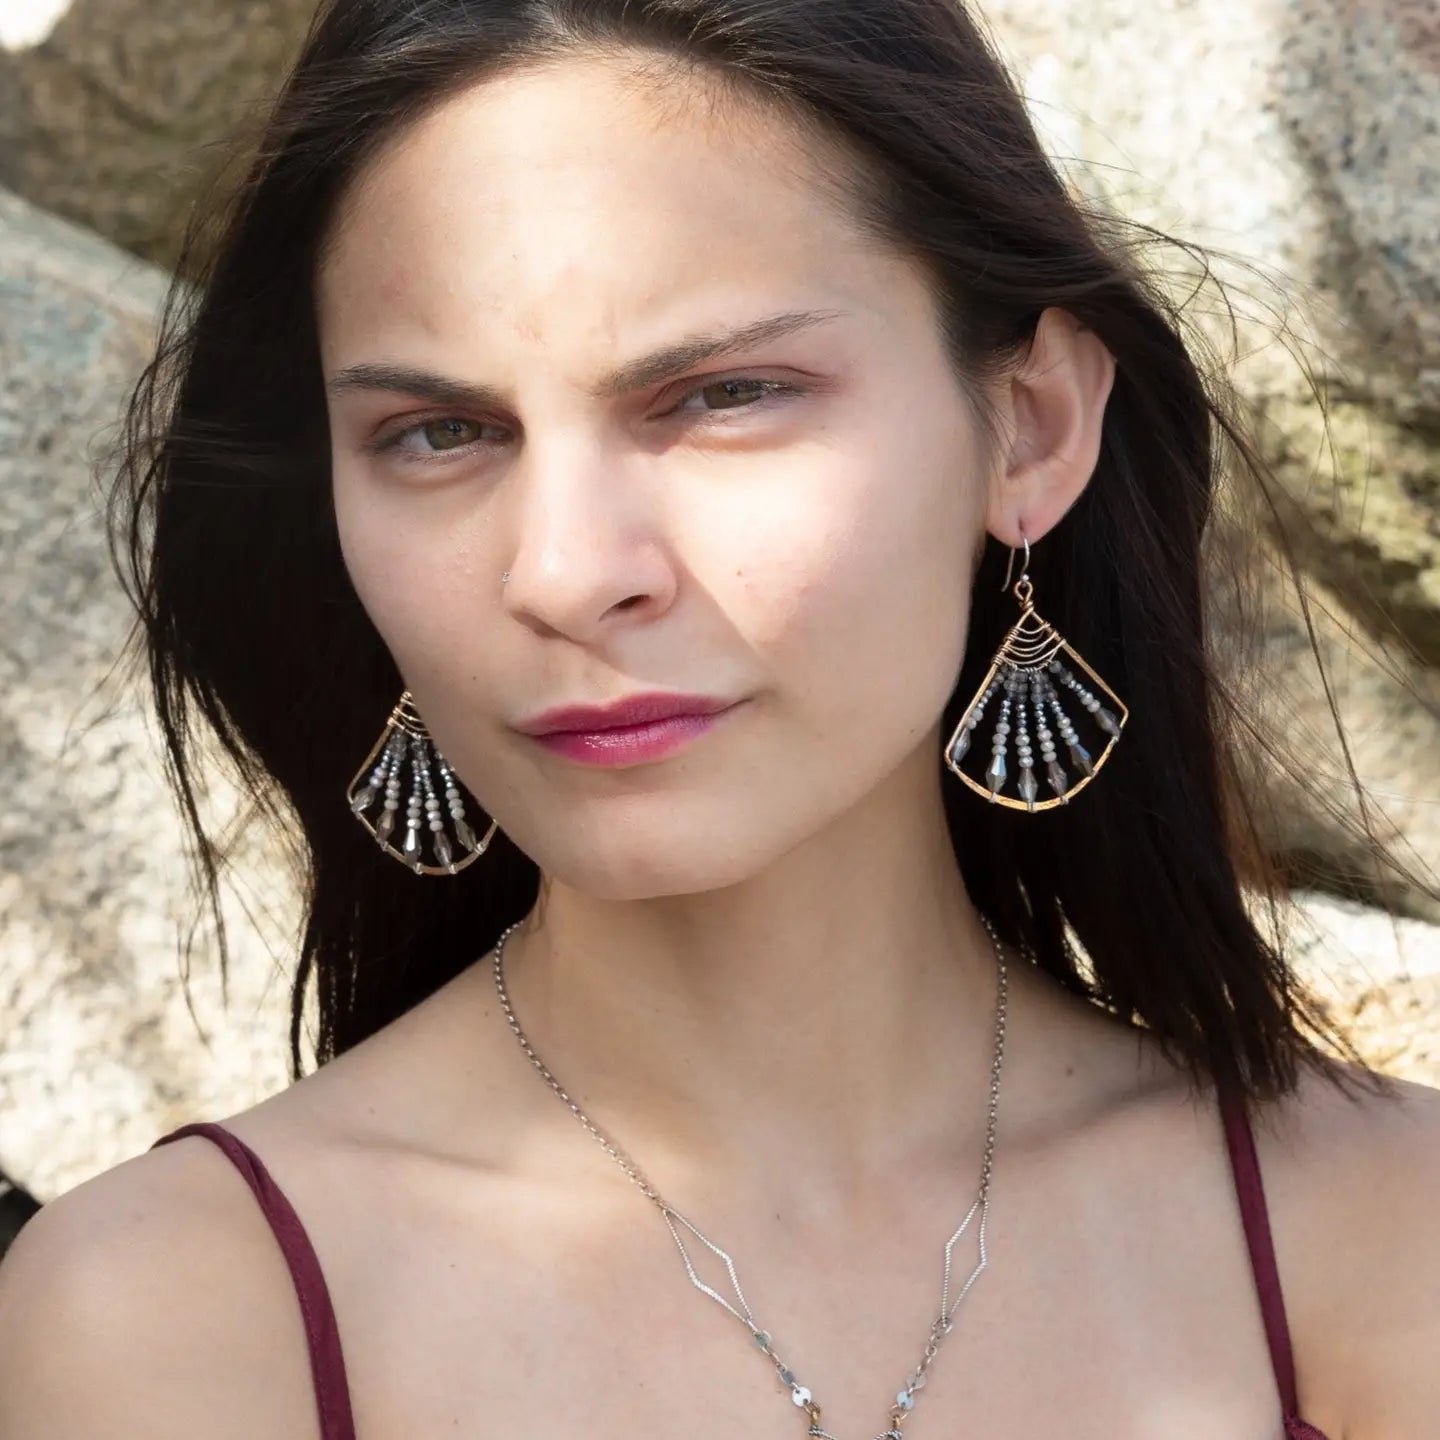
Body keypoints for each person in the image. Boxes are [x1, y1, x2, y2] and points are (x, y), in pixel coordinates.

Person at [1, 1, 1437, 1435]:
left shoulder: (1384, 1234)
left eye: (723, 395)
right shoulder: (179, 1316)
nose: (564, 572)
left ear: (1034, 423)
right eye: (439, 433)